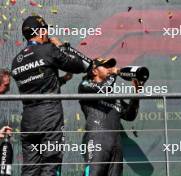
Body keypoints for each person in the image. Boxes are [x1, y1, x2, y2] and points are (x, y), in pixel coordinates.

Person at [11, 16, 93, 176]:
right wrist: (60, 45)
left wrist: (61, 80)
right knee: (51, 162)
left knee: (30, 168)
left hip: (28, 118)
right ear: (40, 32)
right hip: (49, 115)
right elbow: (79, 66)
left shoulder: (16, 61)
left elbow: (39, 84)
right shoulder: (48, 50)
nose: (48, 34)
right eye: (46, 30)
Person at [78, 58, 141, 176]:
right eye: (105, 66)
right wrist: (115, 73)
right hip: (96, 138)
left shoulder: (113, 96)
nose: (109, 69)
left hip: (116, 142)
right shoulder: (85, 85)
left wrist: (136, 94)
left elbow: (130, 115)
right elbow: (102, 89)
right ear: (95, 71)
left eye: (110, 66)